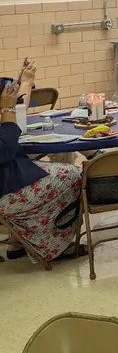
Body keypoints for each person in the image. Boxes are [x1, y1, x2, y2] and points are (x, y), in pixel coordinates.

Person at [0, 63, 83, 264]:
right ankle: (53, 247)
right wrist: (8, 110)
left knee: (60, 171)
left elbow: (16, 99)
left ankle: (18, 241)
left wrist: (23, 84)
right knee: (76, 177)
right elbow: (5, 149)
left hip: (8, 176)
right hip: (6, 189)